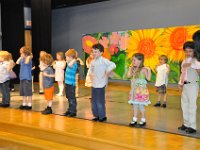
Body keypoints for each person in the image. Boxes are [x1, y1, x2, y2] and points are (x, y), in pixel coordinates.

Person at [88, 43, 116, 122]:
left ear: (101, 53)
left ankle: (102, 116)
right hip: (94, 84)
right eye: (93, 51)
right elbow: (90, 70)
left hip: (101, 85)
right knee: (93, 102)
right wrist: (90, 74)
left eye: (96, 52)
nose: (94, 53)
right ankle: (96, 115)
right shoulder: (92, 62)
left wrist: (107, 71)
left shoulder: (104, 60)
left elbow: (113, 65)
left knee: (100, 102)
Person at [178, 41, 200, 134]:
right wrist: (180, 83)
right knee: (184, 104)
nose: (188, 53)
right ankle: (186, 123)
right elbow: (183, 73)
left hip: (193, 85)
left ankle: (192, 126)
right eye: (186, 51)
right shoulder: (184, 60)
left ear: (194, 51)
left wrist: (194, 67)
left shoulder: (196, 61)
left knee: (192, 105)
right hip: (186, 85)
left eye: (190, 51)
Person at [127, 53, 151, 127]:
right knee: (135, 105)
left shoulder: (143, 70)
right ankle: (134, 119)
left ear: (140, 61)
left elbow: (149, 79)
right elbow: (128, 76)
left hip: (140, 92)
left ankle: (143, 120)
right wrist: (130, 68)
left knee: (140, 105)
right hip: (134, 90)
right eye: (132, 60)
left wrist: (149, 70)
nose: (133, 61)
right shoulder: (133, 69)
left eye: (134, 60)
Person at [64, 49, 78, 117]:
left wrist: (74, 59)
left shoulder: (74, 64)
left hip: (71, 84)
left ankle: (73, 111)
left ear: (71, 57)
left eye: (67, 56)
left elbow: (70, 65)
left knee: (72, 98)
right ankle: (70, 109)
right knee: (69, 97)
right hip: (67, 83)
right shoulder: (69, 63)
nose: (66, 58)